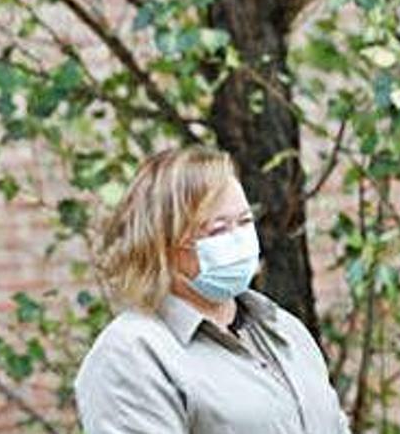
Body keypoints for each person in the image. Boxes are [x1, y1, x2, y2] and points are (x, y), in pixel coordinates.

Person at [74, 146, 349, 433]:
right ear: (164, 244)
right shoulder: (133, 354)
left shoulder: (285, 331)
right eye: (218, 230)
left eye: (244, 222)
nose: (239, 238)